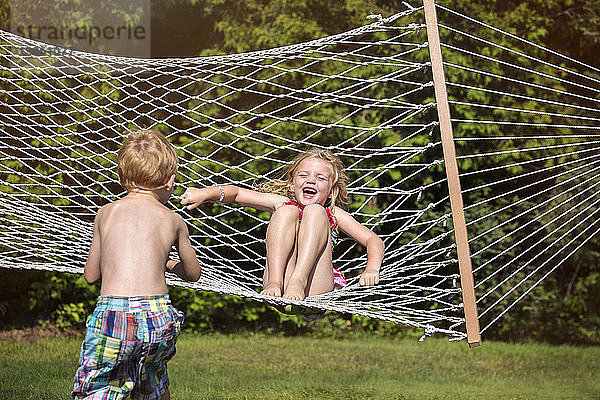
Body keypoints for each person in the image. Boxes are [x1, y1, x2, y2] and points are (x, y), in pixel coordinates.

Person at [72, 129, 202, 400]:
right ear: (170, 181)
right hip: (157, 314)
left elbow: (90, 275)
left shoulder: (105, 213)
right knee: (152, 383)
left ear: (120, 178)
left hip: (114, 313)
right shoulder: (173, 219)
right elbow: (193, 273)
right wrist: (168, 265)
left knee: (100, 385)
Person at [181, 147, 383, 305]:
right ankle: (274, 282)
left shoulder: (333, 214)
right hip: (279, 285)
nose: (311, 180)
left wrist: (372, 268)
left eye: (320, 178)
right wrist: (205, 193)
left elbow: (373, 240)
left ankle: (299, 280)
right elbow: (238, 194)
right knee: (286, 209)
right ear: (291, 184)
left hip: (314, 289)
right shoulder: (282, 203)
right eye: (303, 175)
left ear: (331, 191)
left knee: (315, 212)